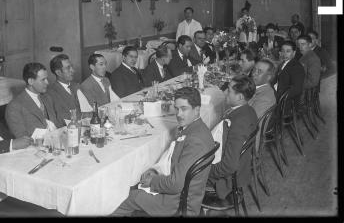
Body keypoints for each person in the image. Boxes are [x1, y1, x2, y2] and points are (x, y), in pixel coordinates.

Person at [112, 87, 214, 216]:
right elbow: (174, 160)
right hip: (185, 194)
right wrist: (156, 171)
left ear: (197, 109)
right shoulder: (195, 129)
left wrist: (153, 181)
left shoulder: (195, 140)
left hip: (178, 204)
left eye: (184, 109)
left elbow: (176, 184)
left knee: (126, 198)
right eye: (177, 109)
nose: (179, 114)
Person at [207, 75, 258, 204]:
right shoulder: (248, 110)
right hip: (241, 166)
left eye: (229, 91)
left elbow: (229, 166)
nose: (225, 93)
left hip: (228, 179)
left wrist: (206, 170)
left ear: (240, 97)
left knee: (183, 171)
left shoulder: (239, 122)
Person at [5, 62, 61, 138]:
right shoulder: (14, 107)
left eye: (46, 79)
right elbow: (21, 138)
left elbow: (57, 124)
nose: (47, 82)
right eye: (43, 80)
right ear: (30, 81)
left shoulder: (48, 98)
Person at [248, 59, 277, 150]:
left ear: (268, 77)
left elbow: (252, 125)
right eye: (254, 70)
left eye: (259, 71)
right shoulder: (258, 88)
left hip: (248, 141)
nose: (254, 73)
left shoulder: (265, 98)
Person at [46, 54, 82, 124]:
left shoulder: (77, 86)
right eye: (68, 68)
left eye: (71, 67)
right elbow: (57, 121)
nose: (73, 70)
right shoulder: (50, 93)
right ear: (58, 72)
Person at [270, 40, 305, 107]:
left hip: (286, 101)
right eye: (283, 51)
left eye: (288, 51)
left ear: (294, 53)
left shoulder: (296, 67)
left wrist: (279, 96)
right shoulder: (284, 63)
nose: (284, 54)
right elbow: (276, 80)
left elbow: (297, 89)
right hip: (275, 93)